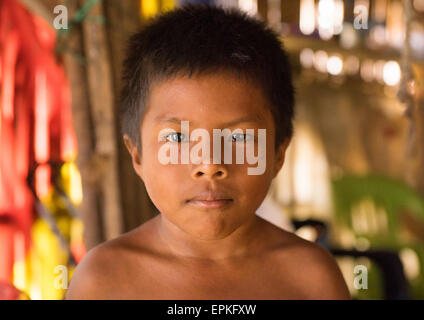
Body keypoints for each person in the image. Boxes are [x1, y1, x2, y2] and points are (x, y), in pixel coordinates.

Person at [66, 4, 350, 299]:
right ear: (137, 155)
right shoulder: (102, 280)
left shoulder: (311, 279)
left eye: (239, 138)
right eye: (177, 137)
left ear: (278, 153)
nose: (210, 163)